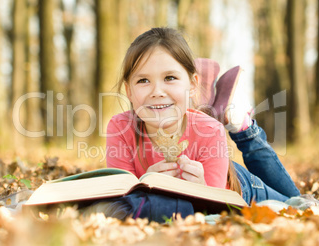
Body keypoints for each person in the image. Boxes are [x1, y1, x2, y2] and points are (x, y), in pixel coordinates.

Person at [104, 27, 301, 220]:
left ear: (192, 84)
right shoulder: (119, 128)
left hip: (238, 187)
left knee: (297, 205)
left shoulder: (210, 130)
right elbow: (123, 198)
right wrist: (144, 184)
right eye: (143, 80)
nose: (157, 91)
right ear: (128, 90)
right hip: (210, 157)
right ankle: (207, 107)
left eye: (169, 78)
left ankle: (244, 129)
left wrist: (201, 187)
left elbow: (215, 208)